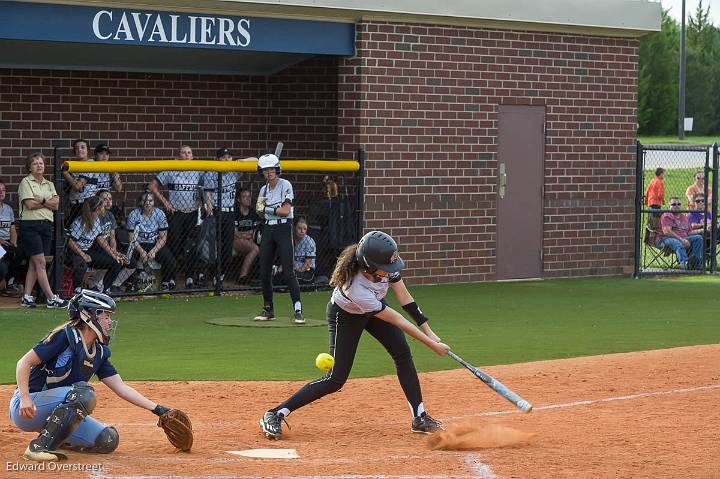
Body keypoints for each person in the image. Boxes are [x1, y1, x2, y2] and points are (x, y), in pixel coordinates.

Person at [259, 230, 450, 440]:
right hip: (346, 315)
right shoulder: (355, 288)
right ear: (369, 266)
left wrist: (429, 332)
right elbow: (398, 320)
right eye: (386, 268)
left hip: (375, 307)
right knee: (335, 379)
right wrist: (431, 345)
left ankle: (419, 417)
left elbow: (406, 299)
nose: (391, 271)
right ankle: (275, 413)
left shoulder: (384, 265)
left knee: (402, 353)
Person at [10, 289, 183, 462]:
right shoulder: (65, 336)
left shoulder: (99, 352)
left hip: (50, 411)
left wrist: (158, 409)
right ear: (89, 315)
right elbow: (23, 363)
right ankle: (37, 448)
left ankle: (57, 437)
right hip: (28, 407)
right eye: (106, 316)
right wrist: (25, 398)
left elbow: (121, 388)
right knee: (84, 394)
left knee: (107, 440)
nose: (109, 322)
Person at [254, 153, 305, 324]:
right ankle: (268, 308)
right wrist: (270, 209)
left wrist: (268, 208)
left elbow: (285, 210)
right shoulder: (263, 189)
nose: (268, 173)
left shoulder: (285, 185)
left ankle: (298, 310)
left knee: (289, 272)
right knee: (264, 272)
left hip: (284, 228)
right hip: (268, 228)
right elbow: (259, 212)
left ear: (277, 170)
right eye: (265, 170)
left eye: (271, 169)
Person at [150, 145, 204, 288]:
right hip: (176, 213)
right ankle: (170, 278)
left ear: (192, 156)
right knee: (173, 245)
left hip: (192, 212)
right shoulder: (172, 169)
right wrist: (166, 202)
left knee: (192, 245)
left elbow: (207, 187)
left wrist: (202, 199)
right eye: (183, 153)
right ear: (179, 155)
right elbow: (153, 186)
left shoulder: (198, 170)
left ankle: (190, 277)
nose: (186, 155)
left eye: (189, 153)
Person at [17, 152, 67, 308]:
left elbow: (56, 204)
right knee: (40, 263)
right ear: (29, 167)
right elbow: (30, 205)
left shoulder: (49, 184)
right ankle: (51, 298)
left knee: (35, 263)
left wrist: (42, 199)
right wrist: (48, 203)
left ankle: (26, 296)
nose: (39, 166)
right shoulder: (25, 182)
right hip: (30, 225)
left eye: (41, 163)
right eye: (35, 163)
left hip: (46, 225)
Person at [202, 148, 256, 287]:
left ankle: (219, 276)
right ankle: (209, 275)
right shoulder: (211, 173)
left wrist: (239, 162)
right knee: (214, 246)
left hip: (229, 213)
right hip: (216, 212)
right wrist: (209, 206)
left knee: (227, 248)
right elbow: (207, 193)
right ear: (217, 159)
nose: (226, 160)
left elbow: (255, 160)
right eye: (223, 157)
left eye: (229, 157)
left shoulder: (234, 171)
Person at [67, 196, 125, 294]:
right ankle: (77, 290)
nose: (104, 208)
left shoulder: (97, 220)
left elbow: (101, 239)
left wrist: (113, 254)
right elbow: (70, 242)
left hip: (88, 251)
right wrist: (82, 254)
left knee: (116, 262)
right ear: (97, 208)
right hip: (75, 252)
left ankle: (104, 290)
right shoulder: (79, 222)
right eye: (102, 206)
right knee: (81, 264)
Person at [126, 192, 177, 290]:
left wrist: (154, 251)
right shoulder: (134, 214)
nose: (147, 203)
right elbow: (131, 238)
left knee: (171, 261)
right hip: (137, 244)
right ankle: (131, 283)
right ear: (141, 202)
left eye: (150, 200)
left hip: (154, 244)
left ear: (154, 202)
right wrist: (141, 251)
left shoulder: (159, 213)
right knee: (129, 260)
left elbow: (163, 237)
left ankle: (166, 281)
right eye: (145, 200)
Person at [656, 196, 704, 270]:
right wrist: (681, 239)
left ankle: (695, 262)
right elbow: (667, 231)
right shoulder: (667, 215)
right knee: (677, 243)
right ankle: (685, 263)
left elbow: (689, 232)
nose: (676, 206)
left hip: (683, 238)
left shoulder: (684, 217)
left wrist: (703, 229)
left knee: (698, 238)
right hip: (665, 239)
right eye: (674, 204)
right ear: (669, 205)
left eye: (678, 204)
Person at [273, 217, 316, 284]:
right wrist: (279, 271)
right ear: (294, 228)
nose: (302, 231)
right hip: (291, 269)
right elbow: (285, 260)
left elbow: (307, 264)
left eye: (304, 229)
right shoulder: (289, 240)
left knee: (290, 277)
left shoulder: (309, 241)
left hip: (305, 271)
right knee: (278, 277)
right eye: (299, 228)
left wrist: (295, 271)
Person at [232, 188, 260, 283]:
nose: (248, 199)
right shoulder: (235, 212)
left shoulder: (253, 212)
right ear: (238, 200)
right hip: (235, 242)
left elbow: (255, 231)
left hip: (249, 240)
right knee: (255, 248)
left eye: (249, 196)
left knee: (260, 246)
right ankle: (242, 276)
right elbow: (235, 234)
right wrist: (247, 234)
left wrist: (244, 235)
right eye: (244, 197)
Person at [0, 179, 20, 291]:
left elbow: (12, 228)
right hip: (0, 243)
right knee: (2, 265)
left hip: (7, 242)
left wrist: (14, 242)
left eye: (3, 190)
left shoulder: (8, 209)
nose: (1, 193)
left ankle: (9, 282)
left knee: (20, 252)